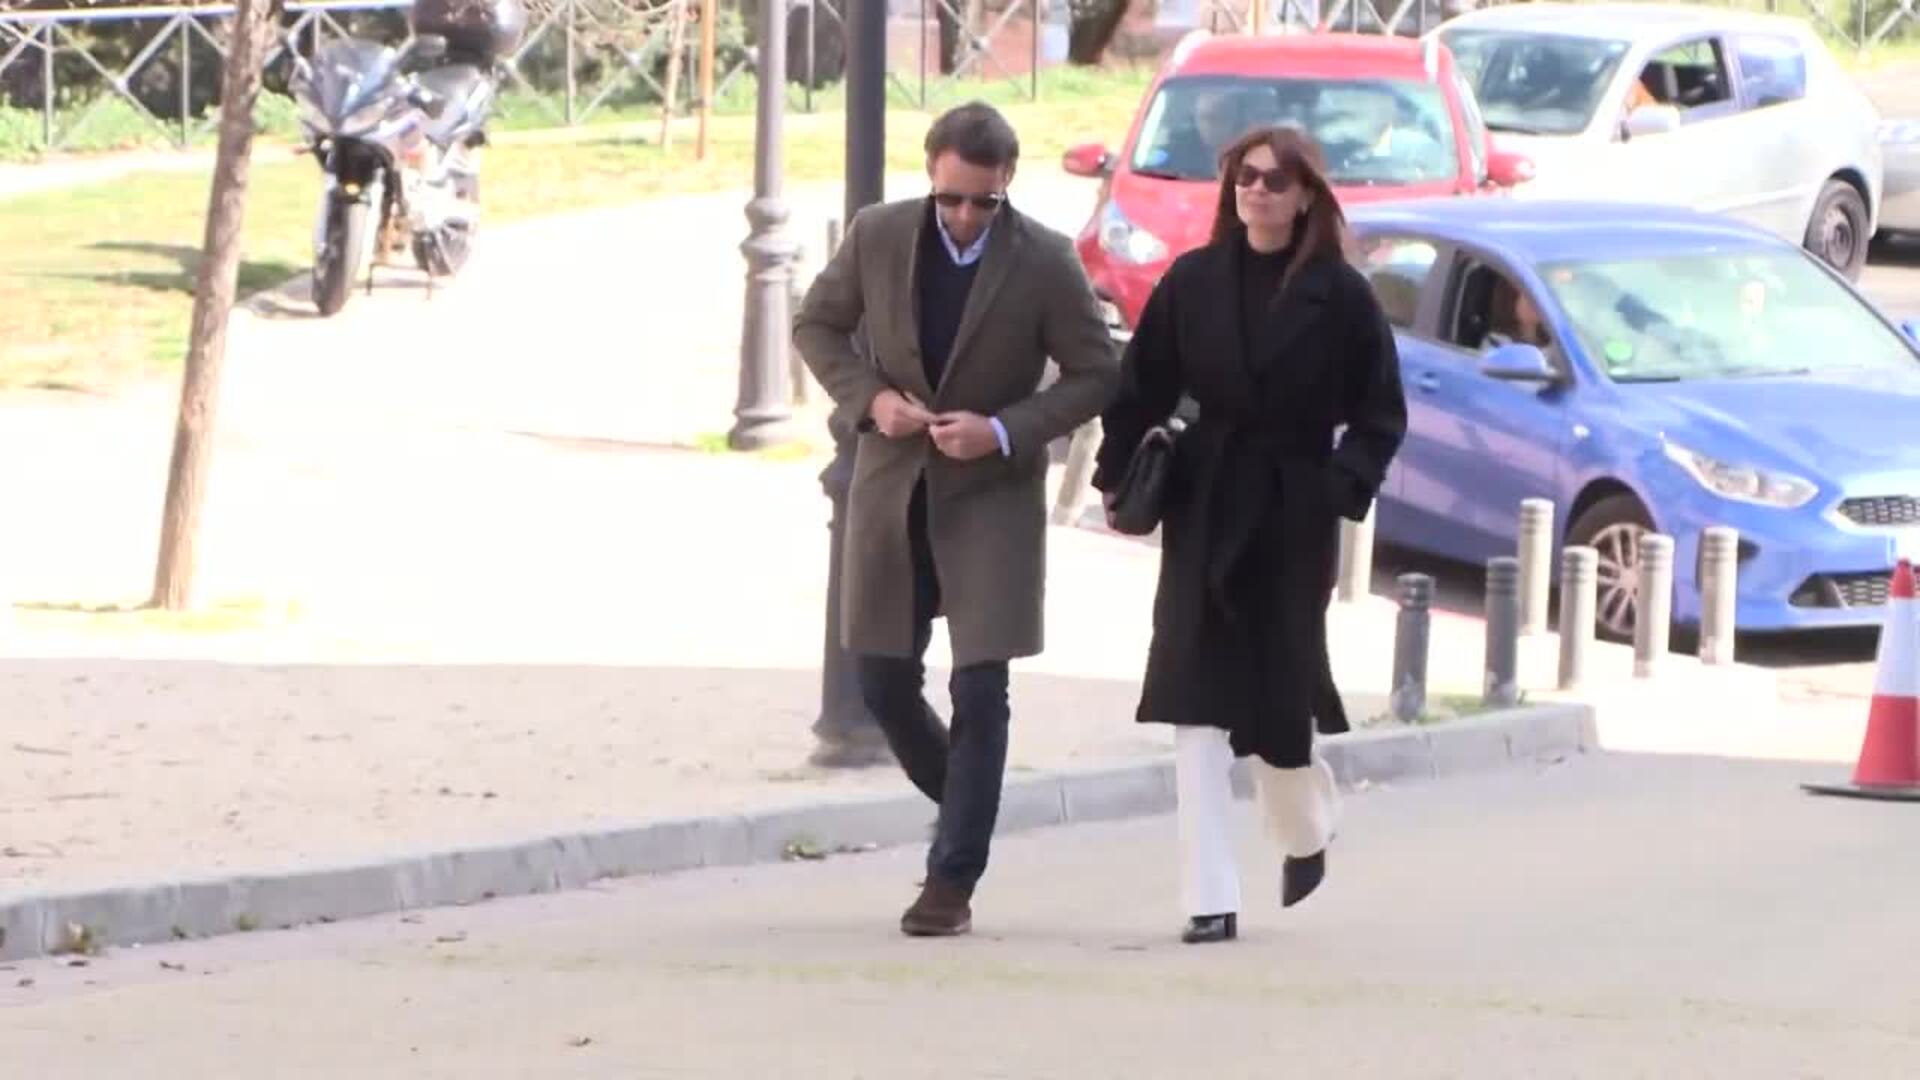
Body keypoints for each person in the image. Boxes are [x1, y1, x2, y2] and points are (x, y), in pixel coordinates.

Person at [793, 102, 1120, 938]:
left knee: (981, 685)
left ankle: (951, 879)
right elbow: (816, 324)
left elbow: (1095, 373)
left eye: (985, 201)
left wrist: (1004, 429)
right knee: (880, 680)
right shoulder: (877, 235)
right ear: (930, 175)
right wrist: (872, 400)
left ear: (1008, 183)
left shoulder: (1045, 259)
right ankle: (971, 805)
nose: (967, 216)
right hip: (892, 486)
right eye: (952, 199)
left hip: (991, 497)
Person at [1091, 126, 1408, 945]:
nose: (1257, 190)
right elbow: (1141, 384)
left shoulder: (1342, 297)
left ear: (1305, 197)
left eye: (1275, 179)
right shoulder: (1193, 280)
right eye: (1244, 177)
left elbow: (1381, 414)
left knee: (1278, 705)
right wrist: (1116, 474)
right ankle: (1209, 897)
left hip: (1292, 512)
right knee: (1193, 700)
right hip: (1205, 500)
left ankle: (1307, 830)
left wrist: (1336, 488)